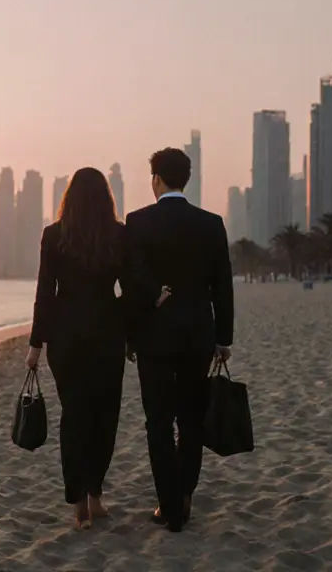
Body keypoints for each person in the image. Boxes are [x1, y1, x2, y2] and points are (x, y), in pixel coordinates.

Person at [24, 167, 165, 530]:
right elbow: (134, 288)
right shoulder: (119, 235)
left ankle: (79, 506)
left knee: (74, 416)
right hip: (106, 333)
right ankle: (96, 496)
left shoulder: (54, 236)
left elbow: (45, 292)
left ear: (68, 198)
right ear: (107, 198)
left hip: (65, 336)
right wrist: (139, 312)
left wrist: (36, 344)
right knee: (104, 417)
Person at [124, 147, 234, 532]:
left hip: (153, 337)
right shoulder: (211, 223)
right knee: (190, 419)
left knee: (158, 420)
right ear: (185, 179)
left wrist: (130, 334)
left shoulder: (136, 222)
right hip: (198, 335)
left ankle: (168, 505)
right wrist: (225, 337)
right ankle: (185, 494)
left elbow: (132, 282)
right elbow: (223, 286)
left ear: (156, 179)